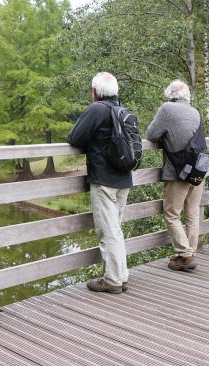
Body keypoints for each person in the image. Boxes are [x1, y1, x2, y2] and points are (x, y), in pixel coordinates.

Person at [67, 72, 132, 294]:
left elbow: (74, 138)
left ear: (95, 91)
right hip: (123, 177)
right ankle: (121, 276)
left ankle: (112, 280)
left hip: (104, 179)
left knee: (108, 232)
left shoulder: (97, 109)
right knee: (116, 229)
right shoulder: (122, 109)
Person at [146, 80, 205, 271]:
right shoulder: (195, 111)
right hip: (198, 169)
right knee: (192, 213)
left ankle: (185, 254)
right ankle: (189, 252)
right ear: (187, 95)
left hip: (178, 171)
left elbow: (151, 134)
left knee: (171, 214)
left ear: (170, 94)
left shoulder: (167, 109)